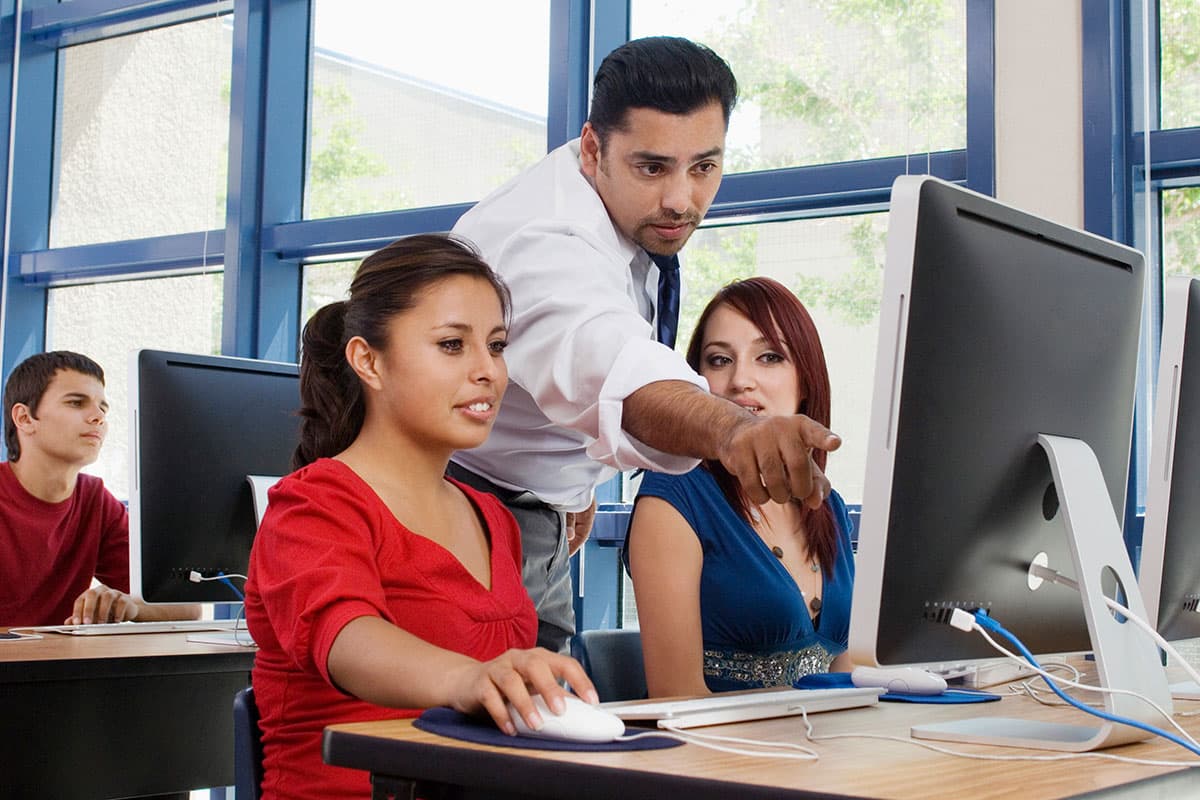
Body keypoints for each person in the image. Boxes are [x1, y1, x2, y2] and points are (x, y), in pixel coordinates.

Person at [450, 36, 840, 654]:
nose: (681, 199)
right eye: (653, 168)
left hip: (538, 510)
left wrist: (575, 488)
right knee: (488, 744)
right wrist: (735, 432)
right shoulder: (544, 241)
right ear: (591, 150)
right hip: (466, 519)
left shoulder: (624, 209)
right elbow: (615, 368)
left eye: (704, 167)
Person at [244, 234, 597, 800]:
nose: (488, 371)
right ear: (368, 361)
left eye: (497, 345)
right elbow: (348, 638)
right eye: (453, 345)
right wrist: (465, 678)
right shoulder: (312, 505)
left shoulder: (492, 517)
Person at [626, 278, 855, 697]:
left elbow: (847, 674)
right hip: (716, 757)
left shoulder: (830, 508)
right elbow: (678, 698)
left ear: (805, 379)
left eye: (768, 357)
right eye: (718, 361)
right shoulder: (674, 498)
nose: (740, 381)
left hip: (823, 750)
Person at [0, 350, 200, 627]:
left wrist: (129, 606)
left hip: (58, 667)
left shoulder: (96, 500)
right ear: (24, 418)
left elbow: (186, 606)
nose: (98, 417)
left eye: (103, 408)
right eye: (76, 403)